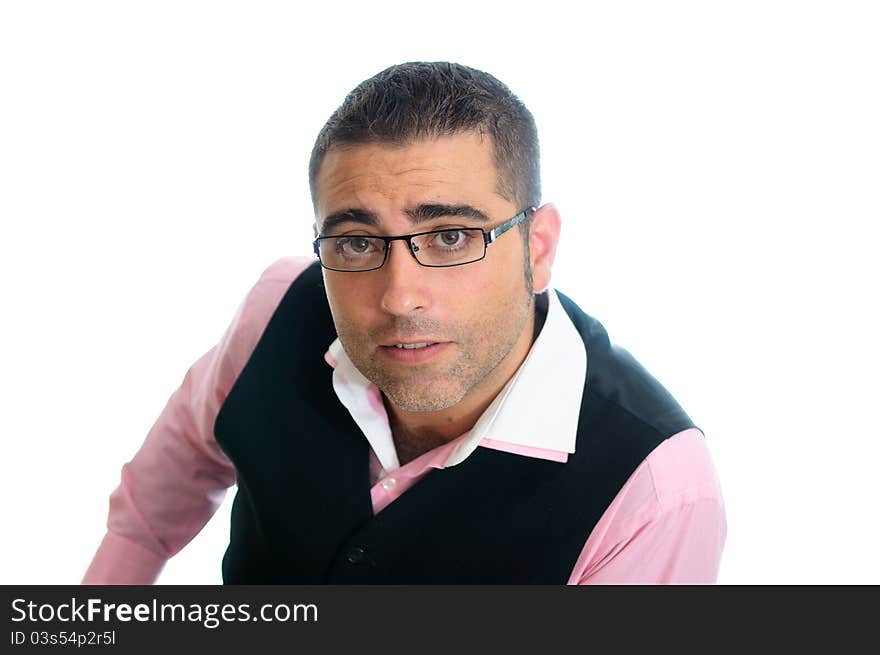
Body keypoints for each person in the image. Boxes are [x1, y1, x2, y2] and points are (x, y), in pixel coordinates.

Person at [83, 61, 726, 584]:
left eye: (449, 235)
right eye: (358, 242)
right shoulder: (279, 307)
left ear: (538, 248)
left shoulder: (657, 491)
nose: (399, 297)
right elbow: (149, 511)